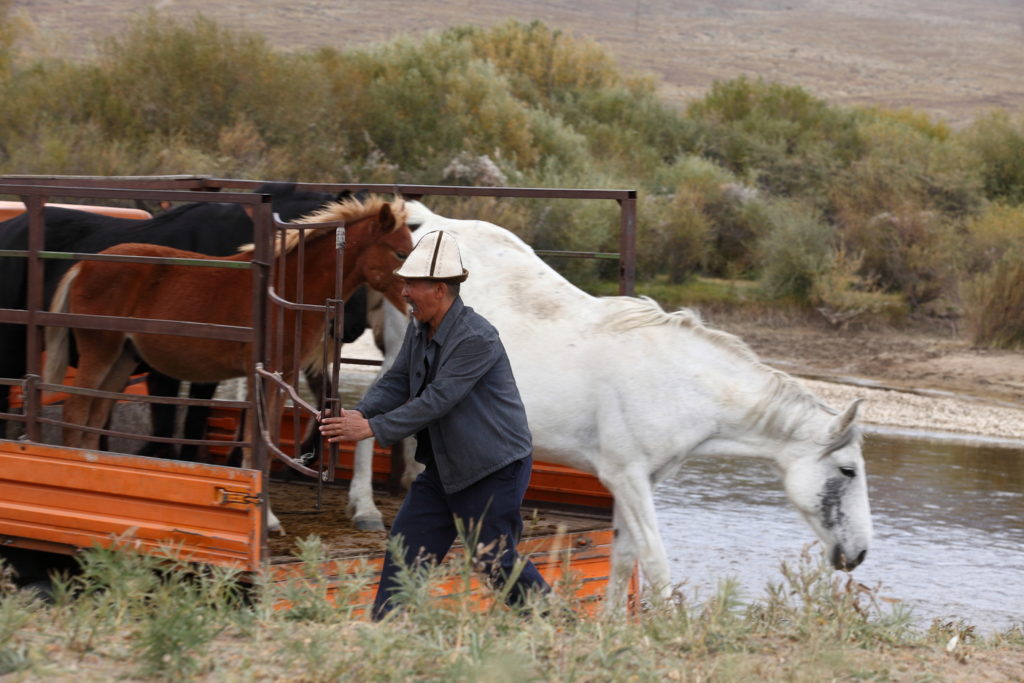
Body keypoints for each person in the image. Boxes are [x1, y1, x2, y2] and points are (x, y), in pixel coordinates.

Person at [319, 230, 550, 619]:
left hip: (492, 470)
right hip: (445, 469)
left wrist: (373, 430)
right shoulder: (420, 328)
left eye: (411, 284)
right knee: (406, 549)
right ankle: (386, 633)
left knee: (494, 560)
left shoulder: (477, 337)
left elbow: (437, 401)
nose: (404, 292)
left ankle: (552, 623)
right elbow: (396, 380)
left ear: (439, 289)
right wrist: (361, 413)